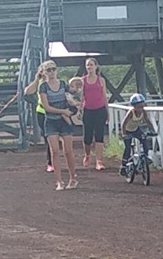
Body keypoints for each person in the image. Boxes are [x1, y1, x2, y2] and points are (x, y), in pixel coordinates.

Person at [25, 61, 80, 190]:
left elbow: (73, 91)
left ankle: (73, 178)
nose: (51, 72)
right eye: (48, 70)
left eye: (53, 69)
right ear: (44, 72)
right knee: (54, 151)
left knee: (68, 151)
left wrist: (77, 88)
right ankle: (59, 181)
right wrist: (63, 112)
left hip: (63, 121)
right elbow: (46, 107)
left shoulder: (62, 84)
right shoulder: (43, 86)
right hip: (50, 120)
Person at [79, 57, 111, 172]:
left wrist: (107, 112)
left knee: (99, 135)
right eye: (87, 65)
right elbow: (82, 97)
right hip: (88, 110)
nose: (89, 67)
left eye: (91, 65)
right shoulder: (83, 80)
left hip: (100, 109)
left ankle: (99, 160)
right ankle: (87, 155)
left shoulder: (101, 80)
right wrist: (79, 110)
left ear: (96, 66)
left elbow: (104, 96)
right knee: (87, 136)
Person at [117, 94, 155, 172]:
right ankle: (123, 166)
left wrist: (152, 130)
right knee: (127, 148)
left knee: (144, 141)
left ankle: (145, 157)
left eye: (142, 106)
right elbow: (124, 124)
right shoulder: (131, 113)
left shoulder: (143, 112)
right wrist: (124, 134)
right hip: (127, 131)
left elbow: (148, 121)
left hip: (136, 130)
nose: (140, 109)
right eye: (138, 107)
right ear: (134, 107)